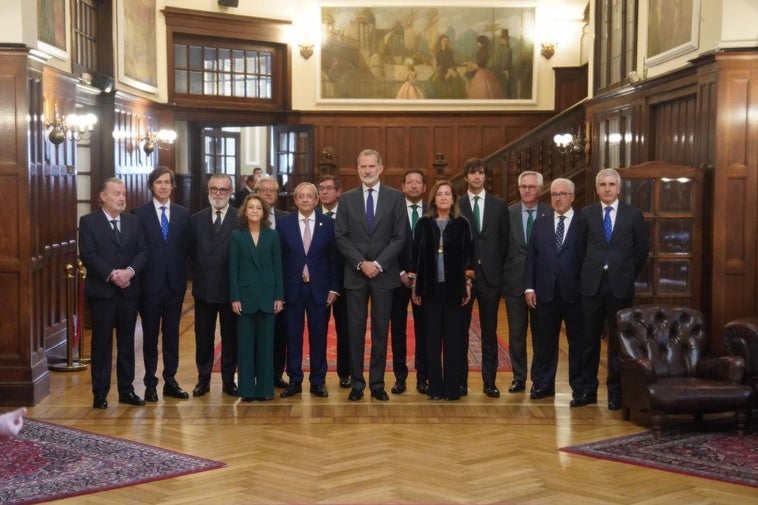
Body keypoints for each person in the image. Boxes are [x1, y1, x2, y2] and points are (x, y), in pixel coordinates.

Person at [334, 149, 407, 401]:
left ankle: (377, 383)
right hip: (355, 275)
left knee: (380, 330)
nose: (367, 170)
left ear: (381, 168)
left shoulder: (396, 198)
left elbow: (400, 236)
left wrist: (377, 263)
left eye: (371, 166)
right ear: (357, 169)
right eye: (362, 166)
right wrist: (360, 263)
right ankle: (357, 383)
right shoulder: (346, 199)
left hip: (384, 274)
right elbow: (340, 236)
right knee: (354, 330)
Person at [579, 168, 650, 410]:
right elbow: (578, 250)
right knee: (589, 340)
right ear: (597, 188)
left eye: (611, 184)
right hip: (591, 286)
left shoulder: (633, 215)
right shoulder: (586, 214)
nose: (607, 189)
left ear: (619, 188)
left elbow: (641, 251)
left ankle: (616, 393)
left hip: (620, 285)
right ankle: (587, 390)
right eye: (603, 185)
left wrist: (627, 272)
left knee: (618, 343)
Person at [78, 178, 149, 409]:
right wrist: (112, 274)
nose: (121, 198)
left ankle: (126, 391)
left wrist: (129, 272)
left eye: (124, 194)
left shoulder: (132, 221)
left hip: (129, 292)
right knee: (101, 344)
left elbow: (143, 251)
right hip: (103, 293)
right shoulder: (88, 222)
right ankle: (100, 392)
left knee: (127, 343)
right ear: (103, 196)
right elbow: (88, 255)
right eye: (117, 193)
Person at [524, 178, 587, 401]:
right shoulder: (540, 223)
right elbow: (531, 257)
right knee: (544, 342)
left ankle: (580, 388)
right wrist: (529, 288)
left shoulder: (584, 222)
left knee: (577, 343)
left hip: (575, 293)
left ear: (572, 196)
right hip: (544, 292)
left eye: (562, 194)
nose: (558, 198)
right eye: (554, 194)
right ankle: (543, 384)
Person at [410, 180, 473, 401]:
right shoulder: (423, 224)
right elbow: (416, 258)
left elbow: (469, 258)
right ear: (434, 199)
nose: (444, 197)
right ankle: (434, 387)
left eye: (448, 194)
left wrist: (467, 284)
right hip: (429, 289)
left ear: (453, 199)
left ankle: (452, 388)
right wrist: (415, 287)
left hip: (454, 289)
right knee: (432, 339)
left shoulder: (462, 224)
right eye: (440, 194)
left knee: (454, 340)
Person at [133, 166, 191, 402]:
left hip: (175, 285)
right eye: (159, 182)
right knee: (149, 337)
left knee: (172, 335)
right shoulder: (138, 214)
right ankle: (149, 382)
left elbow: (187, 248)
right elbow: (136, 249)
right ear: (151, 186)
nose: (164, 186)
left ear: (173, 186)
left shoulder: (183, 214)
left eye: (167, 182)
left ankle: (170, 380)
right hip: (149, 286)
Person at [278, 183, 341, 399]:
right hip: (292, 289)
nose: (305, 200)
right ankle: (294, 380)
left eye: (309, 197)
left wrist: (334, 288)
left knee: (319, 337)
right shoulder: (283, 224)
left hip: (320, 290)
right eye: (301, 196)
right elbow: (279, 260)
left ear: (317, 201)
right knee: (292, 337)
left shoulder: (330, 224)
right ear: (295, 200)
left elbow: (335, 260)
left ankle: (317, 381)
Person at [458, 158, 509, 398]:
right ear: (466, 177)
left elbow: (504, 241)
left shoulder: (499, 205)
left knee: (489, 333)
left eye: (480, 173)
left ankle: (490, 382)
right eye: (472, 173)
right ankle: (461, 381)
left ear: (485, 177)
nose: (477, 177)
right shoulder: (457, 204)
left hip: (491, 276)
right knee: (461, 331)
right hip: (463, 277)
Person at [229, 193, 284, 401]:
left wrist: (279, 295)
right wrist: (235, 298)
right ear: (245, 211)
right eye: (251, 207)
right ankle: (246, 390)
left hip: (269, 296)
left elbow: (278, 267)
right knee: (245, 345)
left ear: (264, 212)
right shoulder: (237, 236)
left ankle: (264, 390)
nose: (254, 211)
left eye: (258, 208)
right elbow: (232, 270)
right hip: (244, 297)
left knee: (266, 345)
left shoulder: (272, 235)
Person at [189, 173, 238, 398]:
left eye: (223, 189)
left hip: (231, 290)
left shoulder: (240, 218)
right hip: (204, 289)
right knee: (203, 337)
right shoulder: (196, 219)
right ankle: (203, 379)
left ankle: (229, 380)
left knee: (231, 337)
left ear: (231, 192)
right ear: (208, 191)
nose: (218, 193)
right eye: (214, 189)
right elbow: (188, 253)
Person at [502, 171, 551, 394]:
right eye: (523, 187)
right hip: (514, 281)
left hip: (543, 282)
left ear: (540, 190)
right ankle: (519, 377)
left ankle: (539, 379)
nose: (527, 190)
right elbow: (501, 247)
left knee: (541, 334)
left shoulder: (549, 213)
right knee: (516, 333)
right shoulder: (508, 213)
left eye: (532, 187)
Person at [390, 168, 428, 395]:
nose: (414, 186)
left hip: (425, 281)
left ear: (424, 187)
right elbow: (386, 243)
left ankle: (423, 377)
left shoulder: (432, 211)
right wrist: (401, 272)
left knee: (425, 330)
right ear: (403, 186)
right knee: (398, 330)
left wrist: (420, 276)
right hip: (397, 278)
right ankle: (400, 377)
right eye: (409, 182)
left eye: (418, 183)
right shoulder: (393, 210)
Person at [255, 175, 291, 389]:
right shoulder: (246, 218)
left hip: (281, 285)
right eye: (264, 190)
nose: (268, 194)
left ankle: (277, 374)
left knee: (280, 333)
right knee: (257, 332)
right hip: (256, 285)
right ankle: (258, 374)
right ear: (256, 193)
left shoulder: (286, 219)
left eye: (273, 190)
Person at [317, 175, 351, 388]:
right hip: (318, 283)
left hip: (347, 282)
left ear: (339, 192)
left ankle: (345, 373)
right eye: (321, 188)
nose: (324, 192)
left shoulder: (348, 215)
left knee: (345, 330)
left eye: (329, 188)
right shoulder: (310, 216)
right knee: (319, 330)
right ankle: (318, 376)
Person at [428, 34, 465, 99]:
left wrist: (449, 73)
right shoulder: (438, 53)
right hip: (442, 71)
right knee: (434, 82)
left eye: (446, 41)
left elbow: (453, 64)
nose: (445, 42)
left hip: (450, 70)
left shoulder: (449, 52)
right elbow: (437, 66)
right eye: (444, 40)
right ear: (440, 41)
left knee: (454, 78)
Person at [493, 29, 513, 98]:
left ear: (505, 39)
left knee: (504, 92)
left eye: (501, 38)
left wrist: (497, 70)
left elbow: (504, 64)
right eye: (500, 38)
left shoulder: (507, 49)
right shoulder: (501, 48)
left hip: (504, 73)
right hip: (499, 72)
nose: (500, 40)